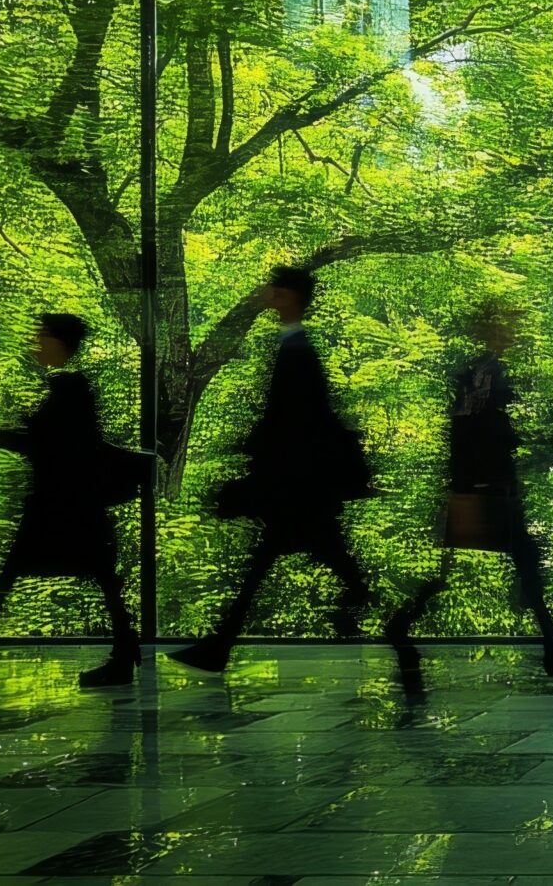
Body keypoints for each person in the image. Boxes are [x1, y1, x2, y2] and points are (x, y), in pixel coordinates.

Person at [170, 265, 414, 679]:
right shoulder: (296, 347)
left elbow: (295, 421)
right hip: (303, 488)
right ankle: (219, 648)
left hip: (298, 489)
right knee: (304, 567)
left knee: (290, 567)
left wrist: (257, 455)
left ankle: (400, 641)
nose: (266, 292)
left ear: (287, 297)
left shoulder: (296, 351)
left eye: (274, 288)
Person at [384, 301, 553, 692]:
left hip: (483, 486)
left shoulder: (483, 372)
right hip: (484, 489)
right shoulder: (484, 374)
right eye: (506, 325)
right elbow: (473, 434)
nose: (512, 332)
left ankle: (552, 644)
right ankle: (552, 646)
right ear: (490, 330)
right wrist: (474, 487)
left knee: (514, 561)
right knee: (522, 560)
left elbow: (471, 431)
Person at [0, 313, 145, 687]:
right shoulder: (70, 387)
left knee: (17, 574)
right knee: (100, 578)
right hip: (74, 505)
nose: (36, 341)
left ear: (59, 343)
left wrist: (3, 436)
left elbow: (52, 445)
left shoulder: (69, 387)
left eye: (42, 335)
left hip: (60, 507)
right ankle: (125, 652)